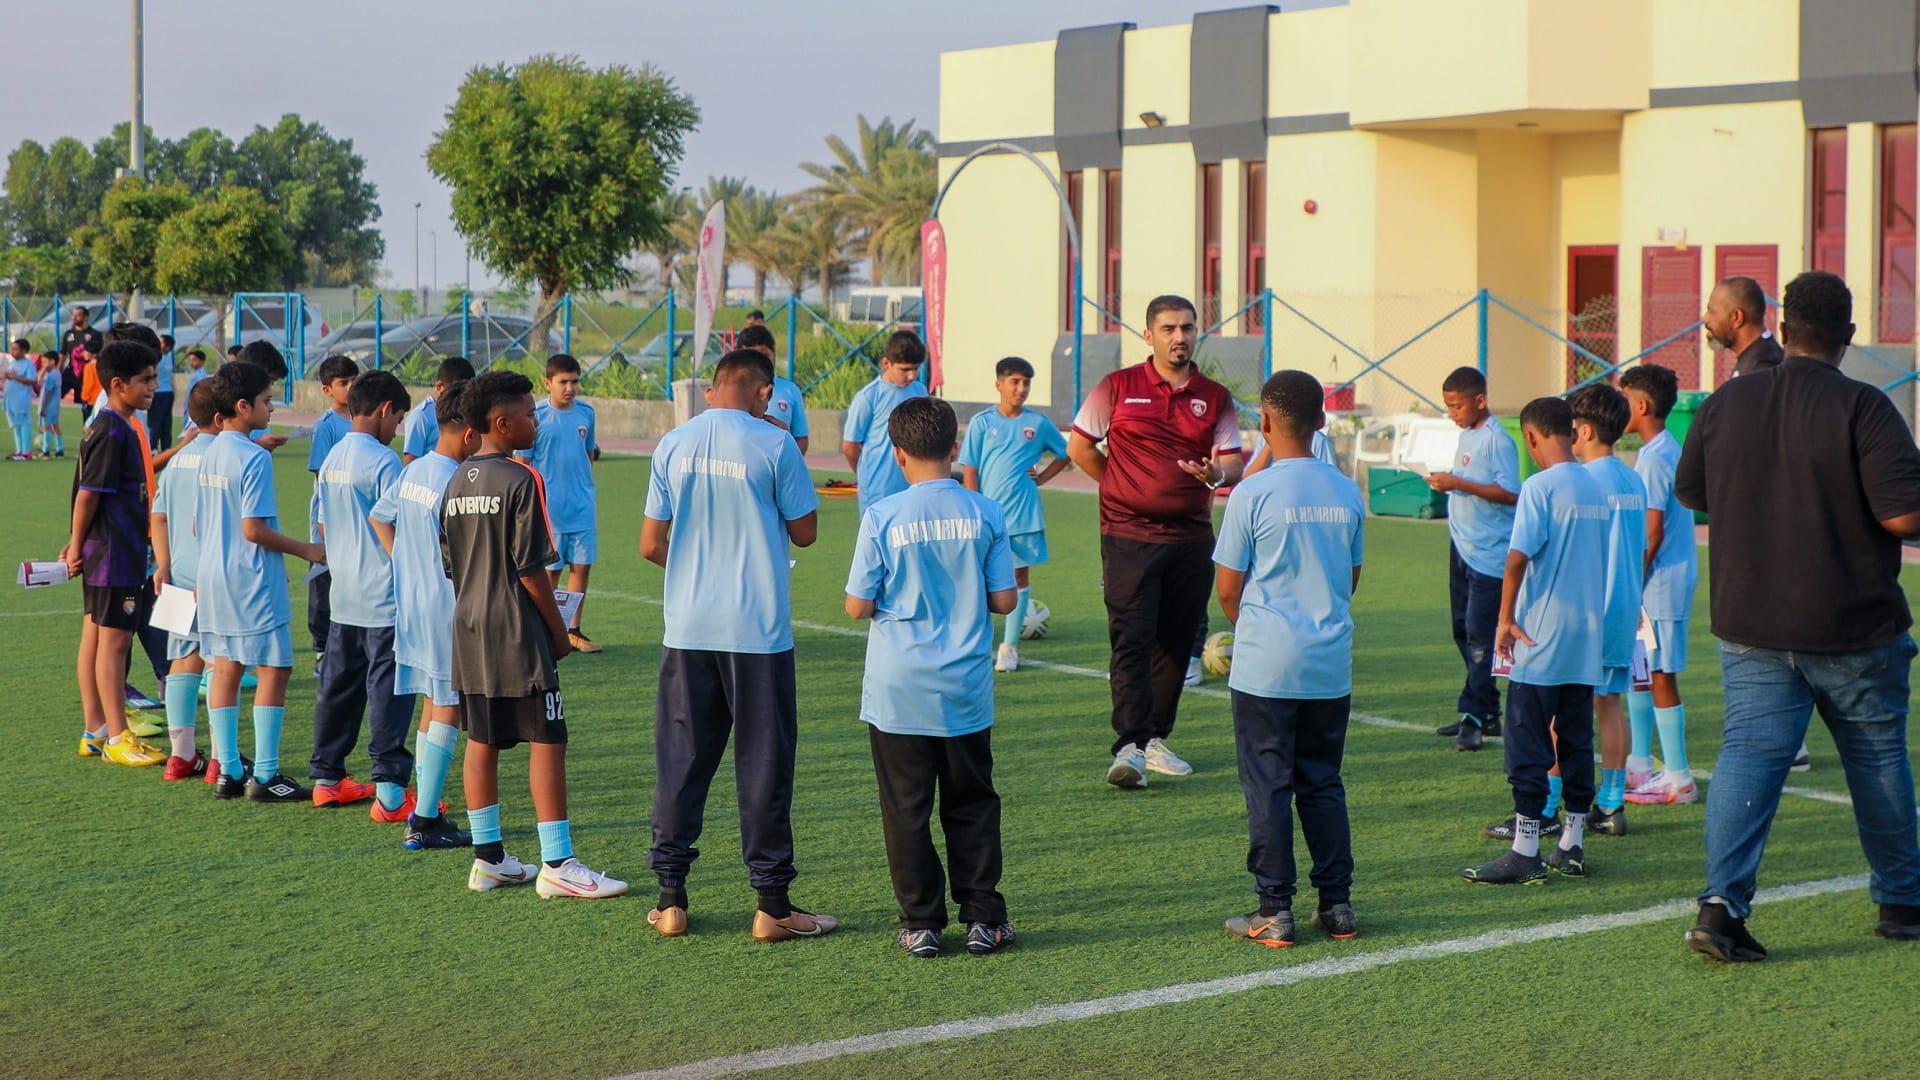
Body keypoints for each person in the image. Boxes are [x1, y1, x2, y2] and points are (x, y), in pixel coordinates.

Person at [1676, 270, 1920, 959]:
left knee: (1748, 759)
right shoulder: (1865, 407)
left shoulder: (1727, 403)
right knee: (1876, 760)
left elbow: (1693, 490)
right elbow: (1902, 514)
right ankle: (1901, 902)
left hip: (1750, 619)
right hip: (1852, 622)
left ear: (1782, 331)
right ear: (1847, 337)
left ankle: (1720, 906)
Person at [640, 350, 832, 941]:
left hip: (689, 628)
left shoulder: (673, 442)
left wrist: (695, 570)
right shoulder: (775, 445)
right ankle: (771, 906)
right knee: (764, 764)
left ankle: (671, 899)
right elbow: (806, 531)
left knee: (681, 761)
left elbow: (651, 543)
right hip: (757, 631)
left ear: (712, 389)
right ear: (764, 392)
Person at [844, 395, 1018, 958]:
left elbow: (856, 606)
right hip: (964, 684)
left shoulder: (882, 515)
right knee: (971, 801)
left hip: (900, 687)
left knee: (906, 807)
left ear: (897, 454)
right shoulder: (985, 511)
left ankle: (920, 922)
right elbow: (1003, 599)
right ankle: (984, 918)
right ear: (955, 447)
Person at [442, 370, 623, 898]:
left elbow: (452, 564)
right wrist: (559, 630)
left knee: (482, 738)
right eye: (528, 414)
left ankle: (488, 858)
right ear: (502, 423)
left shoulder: (454, 482)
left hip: (469, 626)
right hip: (515, 628)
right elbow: (531, 571)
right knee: (547, 737)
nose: (536, 421)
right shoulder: (521, 480)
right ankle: (558, 863)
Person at [1066, 294, 1243, 788]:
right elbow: (1079, 446)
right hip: (1126, 538)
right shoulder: (1117, 387)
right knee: (1131, 639)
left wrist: (1215, 473)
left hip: (1190, 539)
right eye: (1168, 328)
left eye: (1187, 328)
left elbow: (1233, 460)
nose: (1179, 337)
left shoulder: (1216, 396)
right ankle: (1127, 745)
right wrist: (1121, 487)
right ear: (1149, 335)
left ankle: (1152, 740)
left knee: (1177, 644)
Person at [1214, 370, 1365, 947]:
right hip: (1329, 663)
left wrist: (1256, 631)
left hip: (1267, 666)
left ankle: (1274, 909)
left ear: (1266, 423)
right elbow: (1349, 578)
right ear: (1322, 421)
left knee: (1269, 785)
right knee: (1323, 782)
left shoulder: (1253, 492)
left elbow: (1228, 588)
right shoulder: (1346, 490)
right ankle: (1338, 906)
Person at [1462, 397, 1607, 886]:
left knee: (1526, 740)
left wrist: (1504, 619)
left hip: (1542, 635)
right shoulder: (1595, 484)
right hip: (1586, 635)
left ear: (1530, 437)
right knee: (1576, 737)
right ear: (1572, 430)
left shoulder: (1540, 487)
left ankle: (1525, 849)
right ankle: (1572, 844)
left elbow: (1517, 558)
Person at [195, 361, 327, 803]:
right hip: (248, 577)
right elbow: (253, 529)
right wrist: (307, 549)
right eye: (268, 401)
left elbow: (199, 524)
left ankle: (229, 770)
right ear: (242, 405)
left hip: (212, 573)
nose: (273, 408)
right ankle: (266, 776)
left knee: (226, 665)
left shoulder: (208, 448)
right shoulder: (252, 456)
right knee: (276, 668)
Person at [369, 380, 477, 852]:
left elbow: (379, 516)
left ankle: (423, 809)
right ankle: (426, 818)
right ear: (470, 433)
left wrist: (404, 562)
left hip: (413, 601)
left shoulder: (415, 471)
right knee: (449, 703)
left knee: (434, 701)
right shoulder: (454, 481)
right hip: (444, 605)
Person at [310, 371, 417, 816]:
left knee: (338, 686)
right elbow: (396, 524)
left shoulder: (334, 455)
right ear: (384, 410)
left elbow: (320, 524)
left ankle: (327, 778)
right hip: (382, 594)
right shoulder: (383, 461)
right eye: (398, 419)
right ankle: (391, 791)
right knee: (388, 690)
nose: (398, 430)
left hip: (344, 592)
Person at [63, 339, 165, 767]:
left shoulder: (122, 425)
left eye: (155, 378)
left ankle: (100, 730)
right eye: (146, 380)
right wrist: (75, 544)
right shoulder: (109, 430)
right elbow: (87, 495)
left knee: (112, 640)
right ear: (118, 384)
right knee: (115, 642)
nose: (154, 387)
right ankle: (117, 734)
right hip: (111, 553)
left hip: (121, 548)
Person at [1618, 363, 1705, 804]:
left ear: (1641, 404)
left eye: (1623, 397)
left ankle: (1679, 776)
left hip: (1660, 582)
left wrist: (1629, 582)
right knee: (1641, 671)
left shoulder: (1655, 459)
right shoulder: (1660, 450)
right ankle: (1638, 763)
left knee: (1659, 673)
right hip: (1656, 580)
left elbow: (1651, 533)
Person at [1427, 366, 1520, 752]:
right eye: (1448, 406)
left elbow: (1510, 493)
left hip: (1490, 554)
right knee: (1462, 631)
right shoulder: (1468, 434)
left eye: (1457, 405)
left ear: (1480, 400)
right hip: (1462, 547)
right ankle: (1487, 711)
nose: (1453, 413)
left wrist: (1457, 483)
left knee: (1482, 637)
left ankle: (1474, 716)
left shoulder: (1498, 440)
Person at [1568, 384, 1647, 837]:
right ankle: (1612, 804)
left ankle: (1548, 804)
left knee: (1562, 710)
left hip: (1587, 609)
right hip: (1623, 608)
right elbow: (1638, 549)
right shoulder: (1631, 478)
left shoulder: (1585, 481)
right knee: (1610, 704)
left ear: (1584, 429)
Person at [958, 356, 1069, 673]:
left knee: (1018, 576)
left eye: (1026, 383)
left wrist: (1044, 478)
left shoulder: (1037, 424)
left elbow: (1066, 453)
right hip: (987, 514)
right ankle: (974, 640)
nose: (1021, 389)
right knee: (976, 576)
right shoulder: (982, 423)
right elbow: (970, 468)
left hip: (1023, 514)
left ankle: (1009, 647)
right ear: (999, 384)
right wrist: (974, 506)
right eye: (1014, 382)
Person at [150, 381, 219, 779]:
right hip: (215, 576)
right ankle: (221, 759)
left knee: (182, 657)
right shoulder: (226, 458)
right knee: (220, 661)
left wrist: (164, 565)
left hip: (178, 574)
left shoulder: (179, 459)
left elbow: (158, 516)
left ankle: (181, 755)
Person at [515, 354, 603, 653]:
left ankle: (573, 630)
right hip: (549, 508)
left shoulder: (586, 413)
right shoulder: (536, 415)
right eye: (563, 382)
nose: (570, 387)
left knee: (581, 567)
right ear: (547, 382)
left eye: (574, 381)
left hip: (582, 506)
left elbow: (588, 455)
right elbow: (523, 465)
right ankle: (546, 630)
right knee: (550, 571)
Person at [306, 354, 361, 668]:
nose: (350, 387)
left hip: (356, 513)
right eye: (343, 383)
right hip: (331, 512)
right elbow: (322, 477)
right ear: (328, 390)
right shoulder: (326, 426)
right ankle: (321, 646)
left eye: (354, 380)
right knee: (324, 576)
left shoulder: (360, 418)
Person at [842, 331, 928, 512]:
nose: (912, 375)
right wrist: (865, 476)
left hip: (914, 487)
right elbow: (850, 446)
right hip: (877, 490)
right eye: (905, 369)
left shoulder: (920, 391)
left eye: (916, 368)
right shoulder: (869, 397)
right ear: (886, 363)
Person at [736, 323, 809, 453]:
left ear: (774, 353)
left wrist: (791, 463)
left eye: (765, 355)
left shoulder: (790, 390)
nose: (760, 362)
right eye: (753, 356)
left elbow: (801, 437)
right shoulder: (733, 390)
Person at [1704, 276, 1782, 379]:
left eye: (1712, 311)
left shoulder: (1763, 368)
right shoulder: (1753, 358)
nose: (1705, 318)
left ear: (1737, 317)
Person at [401, 356, 475, 465]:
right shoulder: (421, 416)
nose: (460, 395)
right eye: (455, 391)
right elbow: (411, 462)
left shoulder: (463, 410)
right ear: (439, 386)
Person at [6, 339, 36, 460]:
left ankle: (26, 451)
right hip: (10, 399)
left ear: (24, 351)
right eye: (12, 349)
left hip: (21, 398)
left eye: (16, 349)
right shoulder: (12, 363)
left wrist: (14, 377)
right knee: (15, 425)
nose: (13, 351)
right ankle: (19, 451)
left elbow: (31, 380)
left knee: (24, 423)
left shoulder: (29, 364)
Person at [150, 333, 177, 452]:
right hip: (168, 392)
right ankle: (166, 447)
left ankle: (153, 446)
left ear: (166, 347)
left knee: (156, 421)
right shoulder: (169, 358)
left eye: (161, 342)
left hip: (159, 392)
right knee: (166, 420)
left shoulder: (157, 358)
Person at [38, 352, 66, 457]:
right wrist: (44, 369)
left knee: (47, 427)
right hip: (55, 404)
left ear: (52, 362)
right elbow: (39, 379)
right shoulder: (56, 373)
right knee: (55, 426)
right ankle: (59, 449)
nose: (43, 364)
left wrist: (44, 407)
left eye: (45, 362)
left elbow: (48, 392)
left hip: (49, 404)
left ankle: (46, 450)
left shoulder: (51, 375)